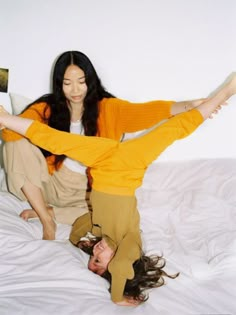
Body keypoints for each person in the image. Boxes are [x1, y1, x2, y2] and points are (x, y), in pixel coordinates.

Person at [0, 72, 235, 306]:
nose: (96, 253)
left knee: (56, 140)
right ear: (114, 266)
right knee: (176, 128)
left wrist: (74, 239)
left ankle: (5, 118)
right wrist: (118, 296)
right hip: (129, 164)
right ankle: (226, 92)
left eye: (92, 257)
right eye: (98, 261)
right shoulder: (130, 244)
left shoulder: (102, 230)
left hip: (102, 160)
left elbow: (79, 224)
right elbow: (123, 267)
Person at [1, 50, 207, 240]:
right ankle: (47, 220)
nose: (75, 90)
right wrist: (5, 117)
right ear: (59, 84)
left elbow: (149, 111)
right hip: (52, 184)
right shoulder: (46, 108)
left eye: (81, 82)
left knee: (112, 214)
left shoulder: (110, 108)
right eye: (67, 83)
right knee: (14, 144)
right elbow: (11, 134)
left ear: (90, 80)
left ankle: (50, 211)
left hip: (89, 192)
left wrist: (190, 106)